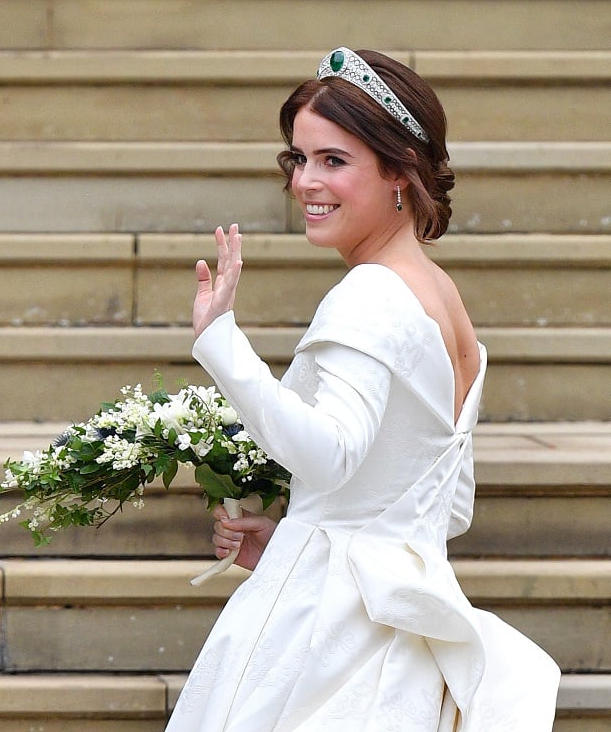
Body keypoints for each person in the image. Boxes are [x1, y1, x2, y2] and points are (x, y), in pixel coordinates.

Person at [168, 48, 560, 731]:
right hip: (403, 638)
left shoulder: (370, 294)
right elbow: (448, 504)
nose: (304, 182)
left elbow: (330, 456)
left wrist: (219, 343)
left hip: (328, 636)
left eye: (333, 160)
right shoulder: (440, 296)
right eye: (298, 158)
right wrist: (308, 530)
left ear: (399, 171)